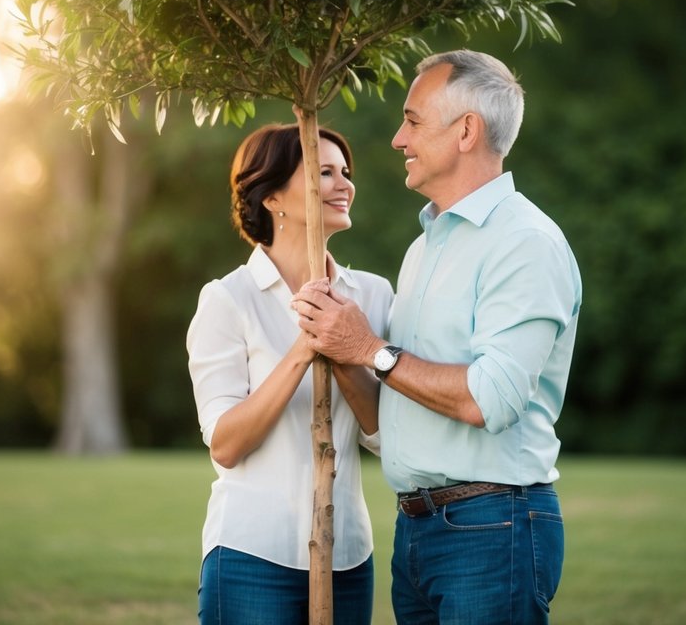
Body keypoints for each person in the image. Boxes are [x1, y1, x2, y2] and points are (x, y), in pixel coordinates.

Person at [292, 50, 582, 625]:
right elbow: (399, 401)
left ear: (467, 131)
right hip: (417, 530)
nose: (398, 139)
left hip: (492, 526)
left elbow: (488, 399)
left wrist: (368, 348)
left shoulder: (524, 242)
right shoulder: (425, 245)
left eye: (413, 120)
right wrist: (336, 344)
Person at [186, 122, 394, 625]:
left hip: (348, 555)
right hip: (250, 557)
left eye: (345, 172)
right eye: (324, 172)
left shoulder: (373, 295)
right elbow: (227, 444)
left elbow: (385, 435)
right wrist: (303, 350)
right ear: (273, 195)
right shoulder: (227, 299)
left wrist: (346, 348)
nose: (344, 184)